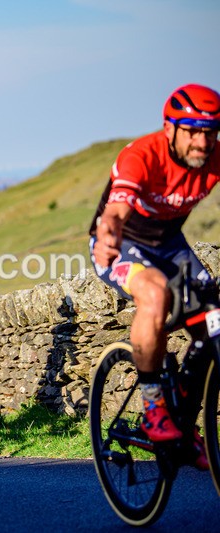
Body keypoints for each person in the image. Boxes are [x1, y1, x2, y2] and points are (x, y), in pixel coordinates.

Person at [89, 83, 220, 469]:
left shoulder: (213, 156)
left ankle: (184, 423)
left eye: (210, 132)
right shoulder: (142, 156)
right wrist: (108, 234)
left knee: (214, 322)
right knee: (155, 293)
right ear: (169, 129)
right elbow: (116, 210)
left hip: (169, 245)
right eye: (192, 131)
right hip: (120, 243)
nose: (202, 142)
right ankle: (152, 407)